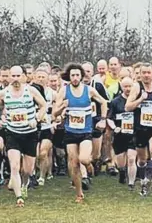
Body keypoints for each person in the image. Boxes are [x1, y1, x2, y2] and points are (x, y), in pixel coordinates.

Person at [0, 65, 47, 207]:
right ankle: (19, 197)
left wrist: (37, 119)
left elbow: (44, 105)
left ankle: (25, 182)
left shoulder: (31, 91)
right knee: (14, 166)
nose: (15, 79)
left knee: (27, 170)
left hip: (29, 134)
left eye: (18, 76)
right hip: (12, 133)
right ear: (9, 77)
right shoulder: (4, 93)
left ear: (23, 76)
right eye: (13, 76)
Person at [53, 63, 108, 203]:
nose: (75, 78)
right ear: (69, 77)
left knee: (84, 158)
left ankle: (89, 165)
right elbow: (54, 113)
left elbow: (104, 102)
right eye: (73, 75)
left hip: (85, 132)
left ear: (82, 76)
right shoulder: (64, 91)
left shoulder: (89, 90)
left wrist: (103, 119)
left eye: (78, 75)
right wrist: (62, 107)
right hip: (70, 132)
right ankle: (79, 193)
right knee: (73, 163)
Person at [125, 63, 152, 196]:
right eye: (143, 72)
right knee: (142, 159)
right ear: (140, 74)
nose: (146, 75)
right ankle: (144, 182)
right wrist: (140, 100)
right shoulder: (137, 87)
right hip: (140, 128)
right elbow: (128, 107)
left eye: (148, 72)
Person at [108, 77, 137, 190]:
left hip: (133, 134)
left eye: (130, 86)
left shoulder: (136, 100)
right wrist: (114, 127)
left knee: (131, 158)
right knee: (121, 161)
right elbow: (109, 118)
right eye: (125, 86)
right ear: (121, 87)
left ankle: (131, 183)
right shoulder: (115, 102)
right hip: (120, 134)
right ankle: (122, 172)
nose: (128, 89)